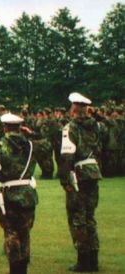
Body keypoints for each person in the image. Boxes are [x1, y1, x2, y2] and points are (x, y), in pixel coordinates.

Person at [0, 113, 38, 274]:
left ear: (4, 127)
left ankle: (15, 270)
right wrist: (33, 134)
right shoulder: (31, 145)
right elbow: (48, 144)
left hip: (9, 195)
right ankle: (23, 269)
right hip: (28, 193)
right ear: (20, 127)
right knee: (25, 232)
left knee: (11, 232)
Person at [59, 92, 102, 272]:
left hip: (78, 174)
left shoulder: (70, 128)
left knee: (77, 217)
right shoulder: (96, 126)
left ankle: (83, 260)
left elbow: (67, 156)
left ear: (74, 109)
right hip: (93, 172)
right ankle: (93, 258)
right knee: (90, 217)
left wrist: (65, 180)